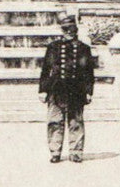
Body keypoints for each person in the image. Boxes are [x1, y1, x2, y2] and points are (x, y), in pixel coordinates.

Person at [38, 11, 95, 164]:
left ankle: (76, 152)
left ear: (76, 30)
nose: (69, 33)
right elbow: (45, 70)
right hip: (56, 89)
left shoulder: (84, 48)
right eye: (65, 30)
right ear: (61, 31)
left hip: (77, 89)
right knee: (54, 121)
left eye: (71, 29)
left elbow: (89, 73)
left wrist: (89, 91)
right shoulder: (53, 47)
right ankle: (55, 151)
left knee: (76, 121)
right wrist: (43, 90)